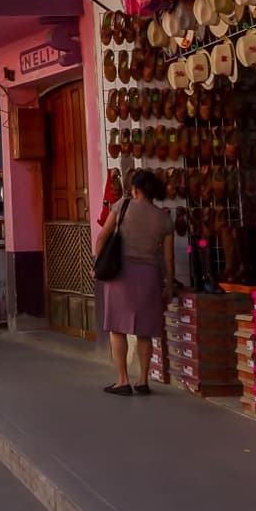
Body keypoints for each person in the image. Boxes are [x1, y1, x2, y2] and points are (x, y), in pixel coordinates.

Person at [94, 169, 176, 396]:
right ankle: (143, 380)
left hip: (121, 273)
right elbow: (168, 257)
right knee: (144, 331)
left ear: (136, 189)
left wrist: (97, 267)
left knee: (117, 329)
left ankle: (122, 380)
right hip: (150, 274)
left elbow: (102, 237)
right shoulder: (164, 218)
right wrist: (169, 283)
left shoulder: (122, 206)